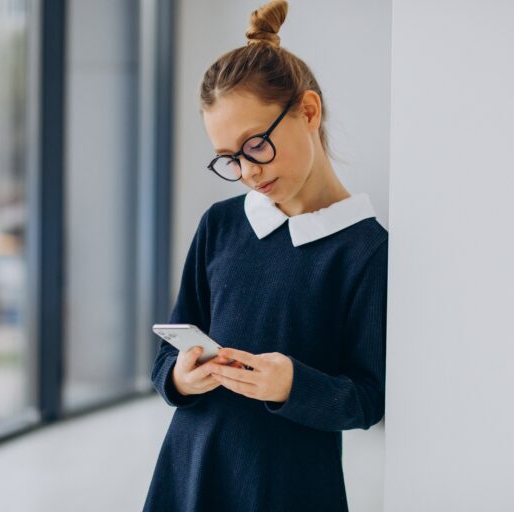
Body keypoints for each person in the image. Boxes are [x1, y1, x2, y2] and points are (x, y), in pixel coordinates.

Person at [142, 1, 388, 511]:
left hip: (288, 488)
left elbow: (368, 397)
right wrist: (180, 377)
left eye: (255, 145)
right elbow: (169, 349)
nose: (247, 171)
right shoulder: (222, 224)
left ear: (309, 111)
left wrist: (291, 385)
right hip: (191, 471)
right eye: (229, 158)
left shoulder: (364, 248)